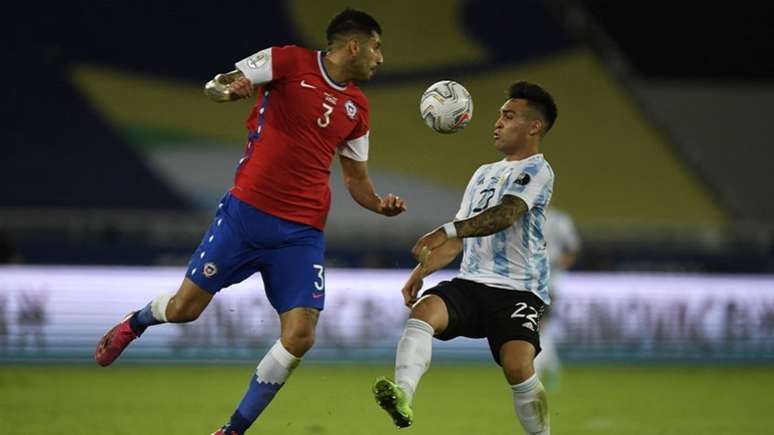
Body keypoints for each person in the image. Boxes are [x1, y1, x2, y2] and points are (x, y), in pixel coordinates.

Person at [94, 8, 406, 435]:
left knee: (300, 336)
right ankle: (136, 322)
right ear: (354, 45)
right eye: (376, 47)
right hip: (247, 215)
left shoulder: (358, 109)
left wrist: (379, 204)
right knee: (185, 309)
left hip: (301, 234)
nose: (380, 58)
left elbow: (356, 181)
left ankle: (232, 430)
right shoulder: (287, 60)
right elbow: (215, 85)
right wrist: (232, 89)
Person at [372, 81, 558, 435]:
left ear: (534, 126)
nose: (497, 122)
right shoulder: (483, 174)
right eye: (500, 115)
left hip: (518, 291)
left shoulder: (538, 170)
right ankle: (402, 396)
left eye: (508, 115)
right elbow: (460, 237)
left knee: (518, 368)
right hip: (472, 283)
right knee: (424, 311)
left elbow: (506, 214)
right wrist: (420, 272)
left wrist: (445, 230)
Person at [533, 207, 581, 389]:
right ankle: (553, 369)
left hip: (547, 283)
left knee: (538, 326)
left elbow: (572, 248)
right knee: (539, 327)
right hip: (529, 282)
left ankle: (539, 372)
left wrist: (556, 265)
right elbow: (573, 247)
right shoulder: (524, 217)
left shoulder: (559, 220)